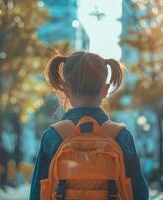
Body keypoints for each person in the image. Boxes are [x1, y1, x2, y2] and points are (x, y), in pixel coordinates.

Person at [29, 51, 149, 200]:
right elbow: (141, 193)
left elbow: (36, 193)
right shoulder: (120, 136)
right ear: (105, 90)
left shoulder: (53, 136)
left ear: (66, 90)